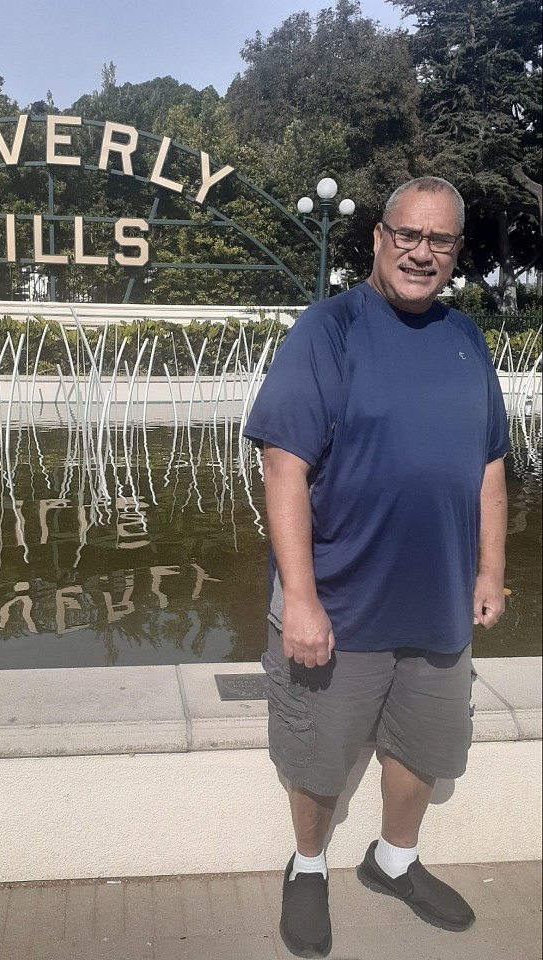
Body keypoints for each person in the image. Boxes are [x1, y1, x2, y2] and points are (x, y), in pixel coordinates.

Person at [243, 176, 508, 958]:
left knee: (424, 749)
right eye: (408, 235)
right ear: (379, 238)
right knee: (318, 755)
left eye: (439, 240)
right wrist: (299, 599)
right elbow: (283, 466)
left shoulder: (465, 339)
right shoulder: (326, 330)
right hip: (341, 604)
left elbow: (489, 466)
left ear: (455, 251)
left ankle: (393, 861)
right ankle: (308, 865)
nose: (421, 253)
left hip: (438, 606)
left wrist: (488, 571)